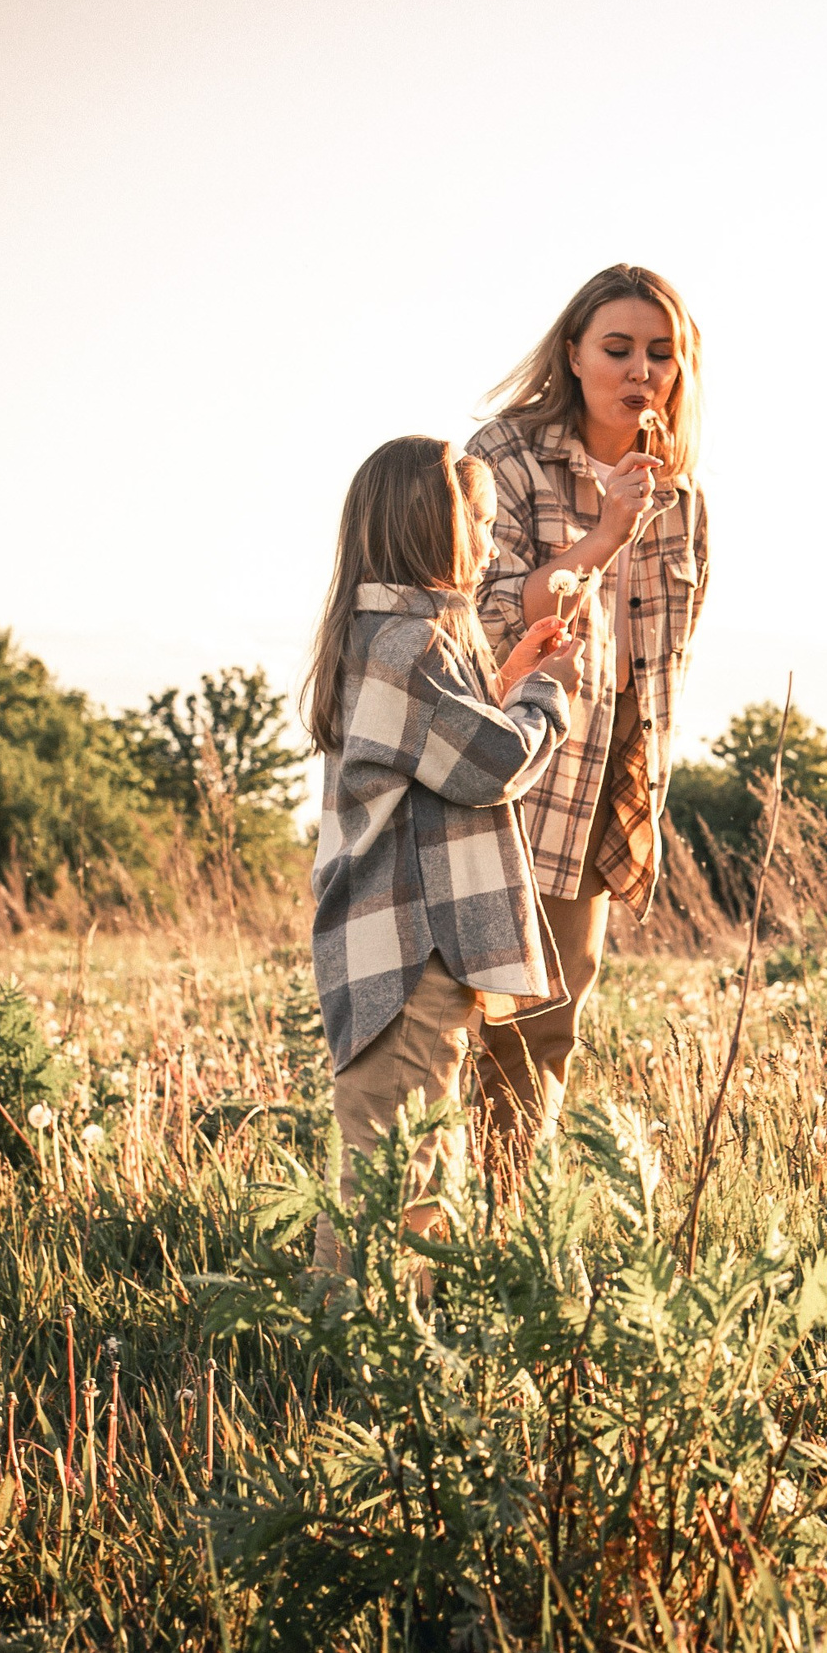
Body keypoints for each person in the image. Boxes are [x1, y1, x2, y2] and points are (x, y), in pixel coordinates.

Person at [302, 435, 582, 1251]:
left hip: (402, 952)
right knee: (398, 1179)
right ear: (434, 526)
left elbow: (437, 754)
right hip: (410, 953)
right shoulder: (409, 646)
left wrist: (506, 679)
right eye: (482, 523)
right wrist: (544, 694)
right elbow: (492, 763)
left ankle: (389, 1313)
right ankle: (363, 1320)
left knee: (410, 1167)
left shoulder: (392, 638)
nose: (493, 545)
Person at [464, 266, 711, 1178]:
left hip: (601, 781)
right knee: (459, 1018)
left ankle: (506, 1216)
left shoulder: (682, 497)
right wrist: (603, 536)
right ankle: (418, 1213)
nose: (641, 370)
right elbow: (488, 617)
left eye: (661, 353)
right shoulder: (503, 457)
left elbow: (664, 664)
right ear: (573, 354)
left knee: (548, 1023)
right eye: (618, 348)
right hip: (496, 772)